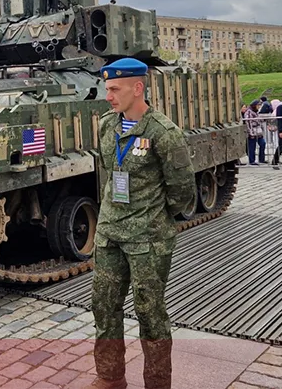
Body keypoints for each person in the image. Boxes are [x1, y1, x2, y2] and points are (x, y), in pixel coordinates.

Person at [91, 57, 197, 389]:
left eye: (114, 89)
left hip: (147, 240)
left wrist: (149, 217)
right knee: (104, 308)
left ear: (138, 88)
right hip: (109, 233)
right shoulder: (107, 126)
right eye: (106, 88)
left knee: (150, 314)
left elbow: (182, 191)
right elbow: (111, 174)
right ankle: (109, 377)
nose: (108, 96)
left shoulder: (164, 133)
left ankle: (156, 383)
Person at [245, 99, 265, 165]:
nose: (259, 107)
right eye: (258, 105)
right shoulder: (249, 113)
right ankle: (252, 160)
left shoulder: (256, 112)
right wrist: (251, 133)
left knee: (263, 144)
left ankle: (262, 159)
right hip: (252, 133)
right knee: (252, 147)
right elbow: (248, 123)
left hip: (258, 132)